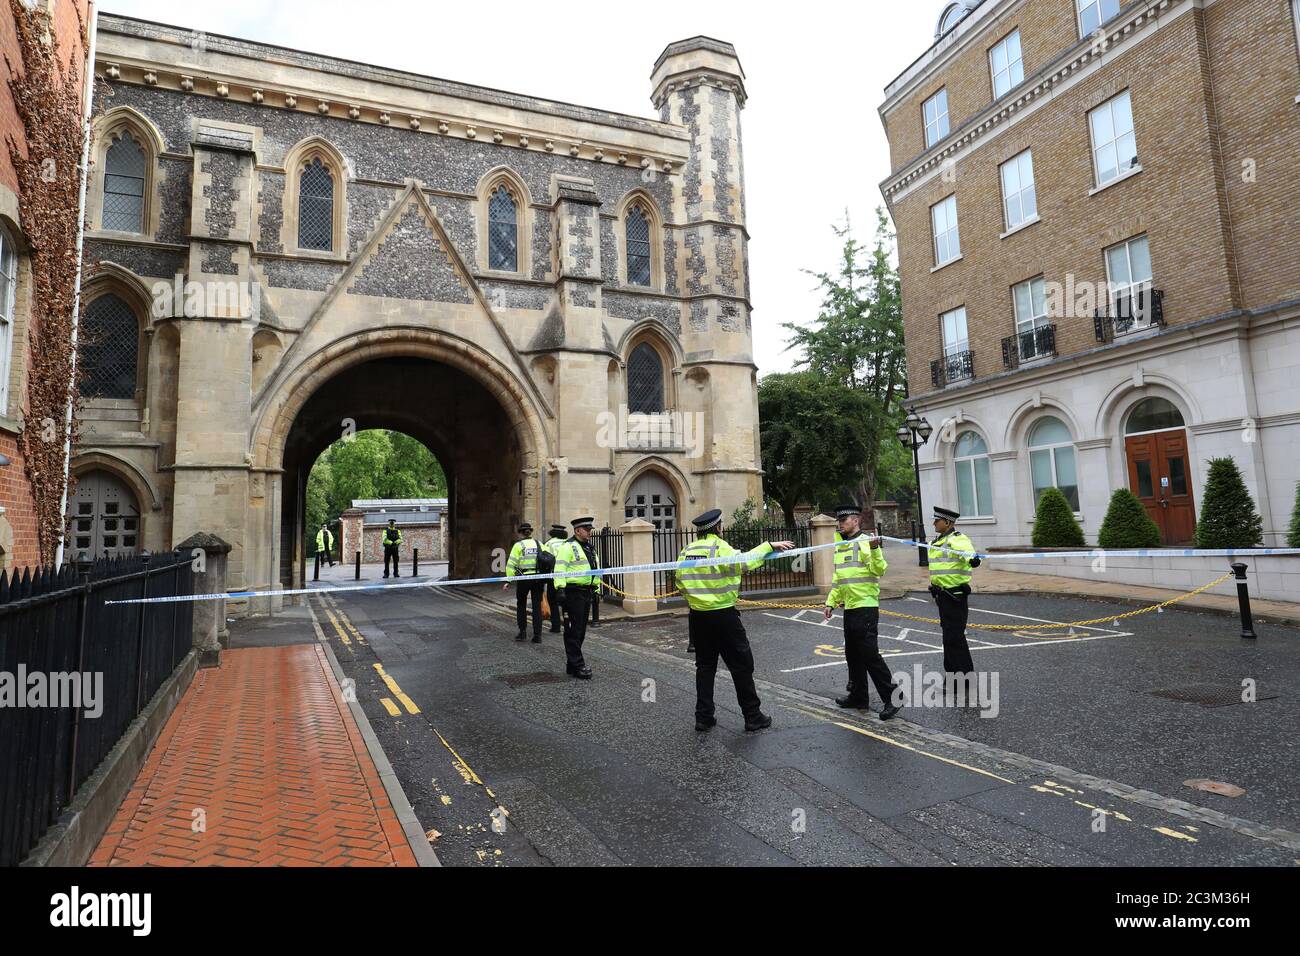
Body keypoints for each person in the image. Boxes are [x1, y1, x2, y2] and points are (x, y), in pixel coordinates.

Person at [675, 508, 794, 733]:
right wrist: (769, 546)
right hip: (723, 616)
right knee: (741, 665)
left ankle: (703, 717)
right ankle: (752, 716)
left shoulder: (687, 550)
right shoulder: (719, 547)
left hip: (698, 617)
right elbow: (743, 562)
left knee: (705, 666)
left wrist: (696, 598)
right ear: (718, 527)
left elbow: (679, 580)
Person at [824, 503, 899, 719]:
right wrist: (830, 602)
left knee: (870, 656)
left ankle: (892, 698)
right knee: (853, 655)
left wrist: (875, 550)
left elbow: (879, 570)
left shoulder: (867, 542)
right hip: (850, 607)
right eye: (839, 520)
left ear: (855, 521)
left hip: (865, 606)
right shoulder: (842, 545)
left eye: (844, 520)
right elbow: (839, 579)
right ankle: (858, 695)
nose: (840, 524)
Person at [927, 506, 980, 675]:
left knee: (953, 638)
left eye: (937, 520)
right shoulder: (939, 541)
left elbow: (967, 551)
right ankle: (959, 675)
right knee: (951, 638)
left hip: (954, 596)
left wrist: (973, 559)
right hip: (942, 595)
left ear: (948, 522)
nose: (934, 523)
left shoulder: (956, 539)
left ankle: (960, 677)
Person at [554, 516, 601, 679]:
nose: (589, 532)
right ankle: (578, 665)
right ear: (577, 531)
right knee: (573, 630)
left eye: (590, 530)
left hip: (586, 592)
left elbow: (595, 569)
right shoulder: (568, 547)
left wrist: (596, 587)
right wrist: (560, 588)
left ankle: (571, 665)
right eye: (586, 530)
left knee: (580, 630)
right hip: (572, 592)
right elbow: (559, 568)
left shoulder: (589, 547)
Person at [504, 523, 545, 643]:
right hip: (538, 578)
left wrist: (508, 580)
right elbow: (548, 558)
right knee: (537, 606)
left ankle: (522, 633)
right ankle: (537, 636)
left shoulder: (518, 545)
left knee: (521, 605)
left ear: (521, 533)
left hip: (524, 578)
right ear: (530, 532)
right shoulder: (539, 544)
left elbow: (511, 564)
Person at [541, 524, 567, 634]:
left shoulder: (549, 543)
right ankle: (567, 625)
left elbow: (544, 560)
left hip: (554, 576)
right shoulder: (568, 542)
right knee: (566, 601)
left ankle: (556, 626)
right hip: (568, 576)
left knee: (553, 601)